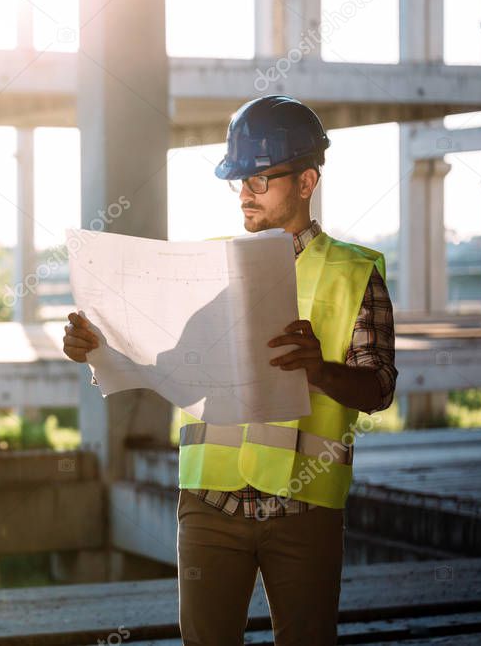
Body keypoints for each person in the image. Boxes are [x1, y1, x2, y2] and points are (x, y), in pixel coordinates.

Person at [62, 94, 397, 645]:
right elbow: (162, 360)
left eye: (260, 178)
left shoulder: (352, 273)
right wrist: (96, 346)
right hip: (209, 504)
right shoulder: (205, 266)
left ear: (307, 182)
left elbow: (379, 387)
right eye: (239, 179)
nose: (244, 192)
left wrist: (318, 369)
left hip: (304, 507)